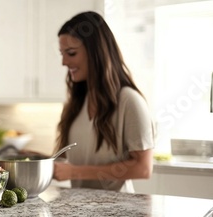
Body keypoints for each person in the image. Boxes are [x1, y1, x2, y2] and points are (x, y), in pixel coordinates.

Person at [53, 11, 154, 193]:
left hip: (118, 214)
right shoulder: (76, 103)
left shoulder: (129, 101)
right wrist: (35, 160)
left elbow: (143, 168)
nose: (64, 62)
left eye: (71, 53)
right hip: (79, 212)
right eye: (62, 54)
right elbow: (75, 162)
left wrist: (75, 172)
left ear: (96, 53)